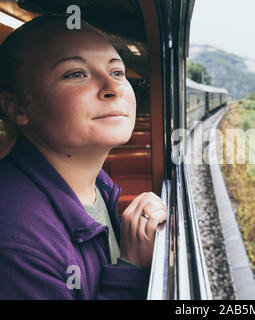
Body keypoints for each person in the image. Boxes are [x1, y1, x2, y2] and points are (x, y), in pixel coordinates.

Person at [0, 15, 167, 299]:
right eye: (76, 73)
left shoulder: (98, 186)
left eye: (117, 72)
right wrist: (132, 269)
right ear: (17, 108)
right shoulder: (17, 243)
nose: (113, 88)